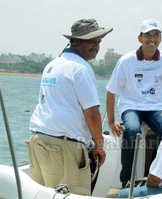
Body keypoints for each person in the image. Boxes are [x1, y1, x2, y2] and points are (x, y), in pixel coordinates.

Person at [26, 18, 112, 196]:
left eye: (99, 41)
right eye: (91, 40)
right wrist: (99, 146)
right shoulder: (81, 68)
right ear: (75, 41)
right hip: (63, 148)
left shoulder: (52, 64)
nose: (96, 45)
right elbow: (93, 114)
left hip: (38, 142)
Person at [106, 18, 162, 188]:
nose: (152, 39)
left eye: (156, 35)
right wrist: (111, 122)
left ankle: (155, 175)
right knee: (131, 130)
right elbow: (111, 91)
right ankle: (125, 180)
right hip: (131, 106)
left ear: (160, 38)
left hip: (157, 107)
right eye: (148, 35)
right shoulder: (126, 60)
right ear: (140, 38)